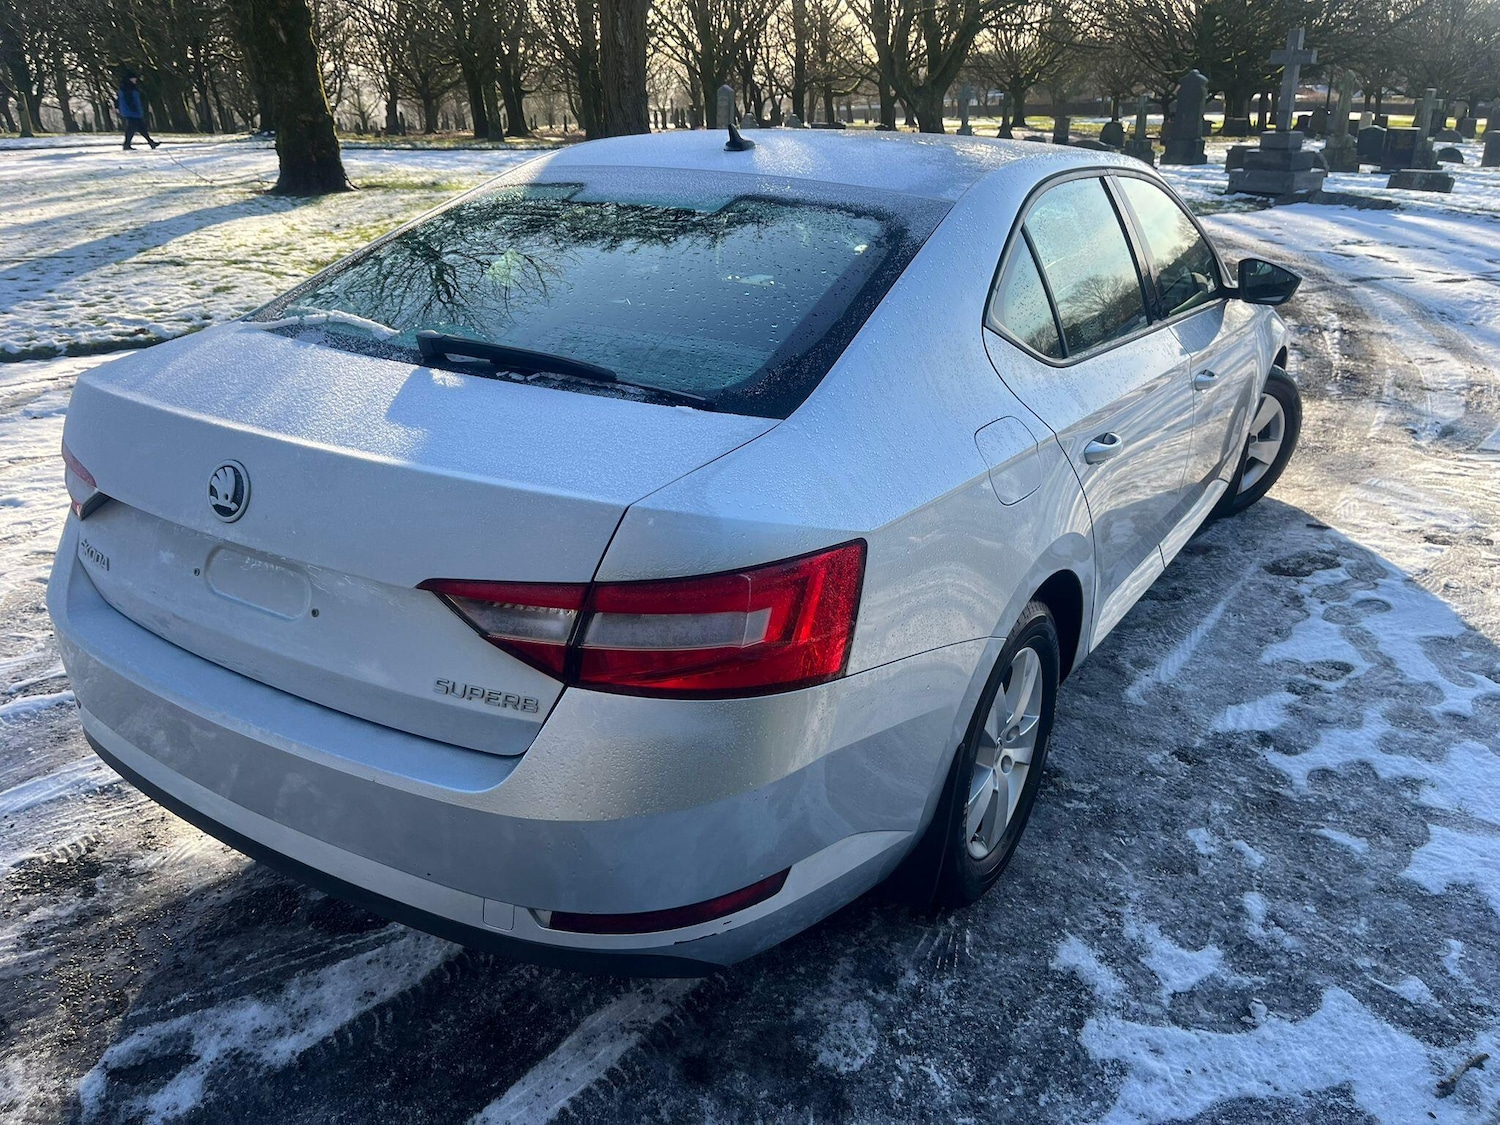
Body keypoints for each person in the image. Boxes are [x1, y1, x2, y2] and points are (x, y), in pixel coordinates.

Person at [117, 73, 159, 150]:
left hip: (131, 111)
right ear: (130, 79)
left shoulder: (126, 86)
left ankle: (151, 142)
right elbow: (129, 99)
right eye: (134, 78)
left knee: (141, 127)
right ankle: (127, 145)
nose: (135, 80)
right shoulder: (128, 87)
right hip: (131, 111)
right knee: (132, 128)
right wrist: (134, 108)